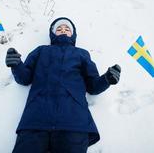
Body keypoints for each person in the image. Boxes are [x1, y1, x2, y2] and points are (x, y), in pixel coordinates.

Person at [6, 17, 121, 153]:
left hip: (73, 122)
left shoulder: (81, 54)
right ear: (53, 34)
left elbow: (93, 86)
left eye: (67, 29)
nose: (63, 30)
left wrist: (107, 79)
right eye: (59, 29)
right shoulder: (41, 50)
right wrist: (17, 65)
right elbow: (24, 78)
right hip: (36, 119)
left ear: (73, 34)